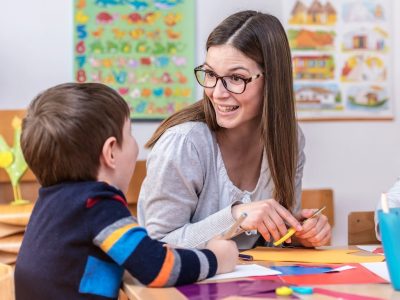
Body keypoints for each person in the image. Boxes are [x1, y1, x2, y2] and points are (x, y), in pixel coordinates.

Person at [14, 83, 238, 300]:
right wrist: (217, 258)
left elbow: (132, 251)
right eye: (129, 134)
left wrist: (158, 249)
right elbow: (156, 268)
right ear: (111, 152)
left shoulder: (52, 204)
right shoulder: (98, 206)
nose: (135, 144)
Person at [138, 10, 331, 250]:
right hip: (184, 286)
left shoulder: (289, 140)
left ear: (272, 80)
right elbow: (156, 245)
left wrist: (298, 233)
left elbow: (273, 241)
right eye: (210, 74)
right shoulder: (184, 143)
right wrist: (237, 217)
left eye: (236, 78)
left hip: (249, 283)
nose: (217, 93)